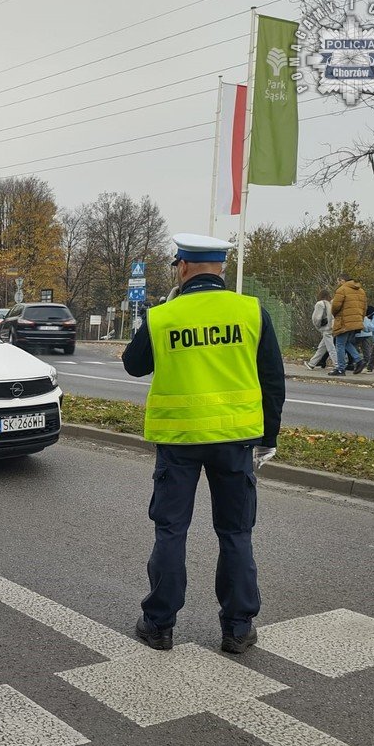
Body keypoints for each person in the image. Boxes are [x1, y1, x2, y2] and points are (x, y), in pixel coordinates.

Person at [122, 234, 285, 655]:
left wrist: (164, 311)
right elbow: (272, 379)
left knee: (171, 531)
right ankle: (237, 628)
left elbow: (133, 364)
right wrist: (268, 437)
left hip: (180, 440)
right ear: (221, 269)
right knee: (235, 533)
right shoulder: (251, 312)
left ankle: (159, 626)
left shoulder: (165, 315)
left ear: (183, 267)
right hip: (235, 442)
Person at [329, 274, 367, 376]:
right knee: (346, 343)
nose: (338, 284)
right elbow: (364, 308)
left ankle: (340, 369)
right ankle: (359, 361)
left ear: (342, 280)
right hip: (356, 321)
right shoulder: (361, 291)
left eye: (338, 281)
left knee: (339, 344)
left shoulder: (342, 289)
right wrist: (360, 319)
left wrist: (335, 315)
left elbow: (335, 306)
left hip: (344, 321)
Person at [304, 288, 335, 370]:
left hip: (325, 328)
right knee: (322, 347)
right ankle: (312, 363)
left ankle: (338, 365)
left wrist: (318, 326)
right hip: (332, 326)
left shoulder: (320, 304)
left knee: (331, 348)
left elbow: (316, 318)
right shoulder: (330, 303)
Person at [355, 305, 374, 371]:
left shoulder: (357, 312)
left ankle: (358, 360)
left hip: (360, 332)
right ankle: (367, 362)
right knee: (366, 349)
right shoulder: (365, 313)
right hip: (368, 333)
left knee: (353, 346)